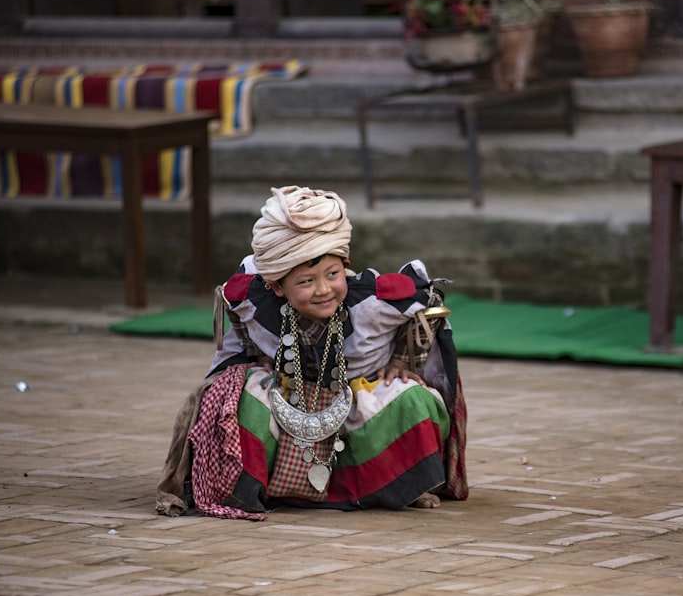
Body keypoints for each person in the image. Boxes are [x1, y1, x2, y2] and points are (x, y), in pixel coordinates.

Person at [155, 185, 467, 520]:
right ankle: (252, 485)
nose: (323, 290)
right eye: (305, 281)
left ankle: (397, 485)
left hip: (362, 401)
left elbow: (429, 302)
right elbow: (234, 307)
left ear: (345, 263)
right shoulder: (253, 300)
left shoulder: (375, 300)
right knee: (233, 395)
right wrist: (251, 355)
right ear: (276, 285)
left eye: (333, 274)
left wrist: (403, 361)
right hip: (286, 396)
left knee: (415, 400)